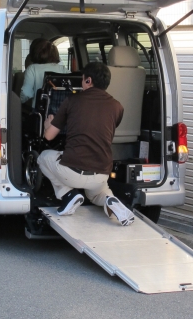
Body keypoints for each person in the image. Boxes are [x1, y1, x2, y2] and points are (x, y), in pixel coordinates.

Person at [37, 62, 135, 226]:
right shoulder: (117, 106)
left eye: (82, 79)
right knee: (98, 195)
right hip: (101, 172)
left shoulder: (72, 100)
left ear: (88, 80)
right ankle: (112, 201)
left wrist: (48, 123)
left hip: (72, 172)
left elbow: (49, 136)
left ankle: (68, 194)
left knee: (43, 157)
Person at [20, 41, 68, 106]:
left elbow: (26, 93)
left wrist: (19, 102)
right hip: (61, 110)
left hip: (40, 110)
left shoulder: (32, 68)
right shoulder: (62, 68)